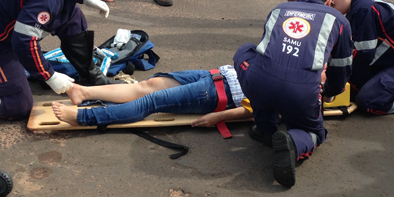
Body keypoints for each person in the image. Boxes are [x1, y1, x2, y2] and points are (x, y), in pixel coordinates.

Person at [234, 0, 353, 188]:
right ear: (330, 0)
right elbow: (342, 66)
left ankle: (265, 127)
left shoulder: (279, 9)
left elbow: (265, 51)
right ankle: (295, 143)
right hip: (302, 94)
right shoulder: (339, 20)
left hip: (260, 85)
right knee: (316, 133)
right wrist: (331, 91)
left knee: (245, 51)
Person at [51, 66, 250, 128]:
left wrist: (219, 117)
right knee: (148, 86)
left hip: (218, 94)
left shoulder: (282, 90)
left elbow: (260, 111)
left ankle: (82, 118)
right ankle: (83, 92)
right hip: (217, 74)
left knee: (150, 102)